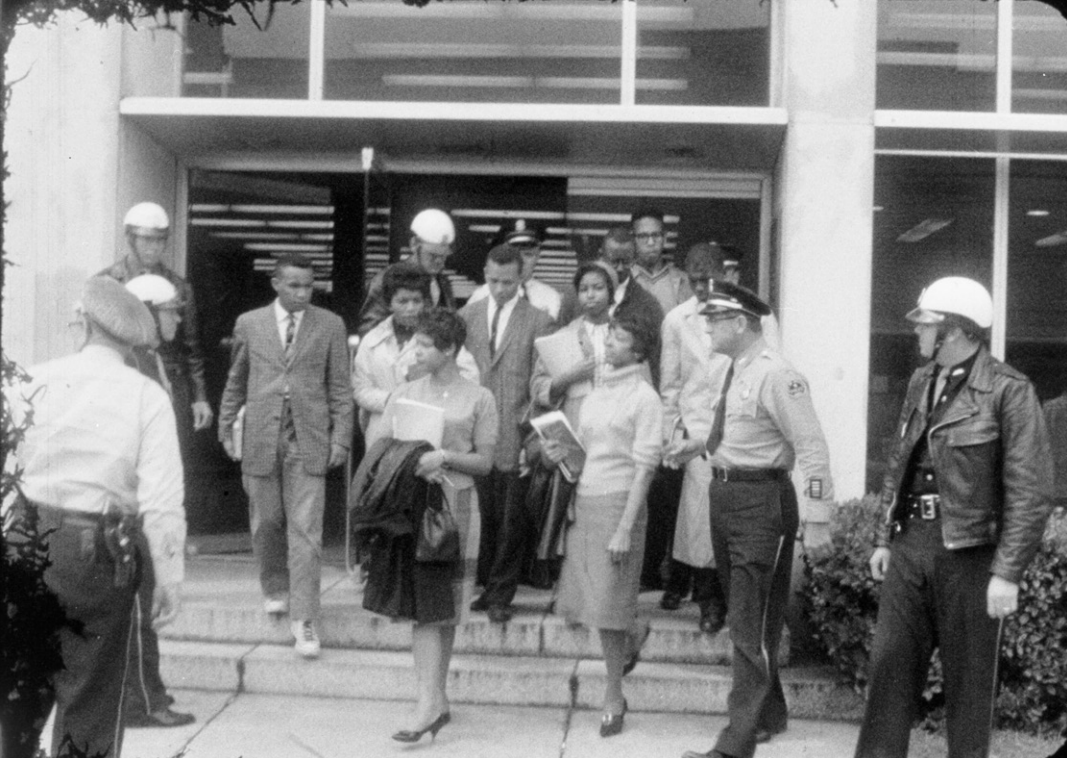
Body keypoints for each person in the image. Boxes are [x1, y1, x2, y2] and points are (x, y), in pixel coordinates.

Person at [853, 277, 1054, 758]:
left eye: (927, 324)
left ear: (957, 330)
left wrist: (1007, 573)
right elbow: (900, 460)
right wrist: (885, 536)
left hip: (969, 553)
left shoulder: (1008, 390)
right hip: (911, 545)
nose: (917, 333)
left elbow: (1031, 492)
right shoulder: (922, 380)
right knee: (889, 670)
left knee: (968, 685)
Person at [5, 276, 186, 758]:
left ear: (84, 322)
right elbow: (162, 502)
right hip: (98, 555)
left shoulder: (32, 381)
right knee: (91, 702)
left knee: (19, 701)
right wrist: (169, 577)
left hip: (24, 544)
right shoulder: (147, 397)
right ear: (131, 341)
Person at [677, 280, 833, 758]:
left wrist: (819, 517)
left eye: (714, 320)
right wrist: (700, 444)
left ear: (741, 323)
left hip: (761, 504)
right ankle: (769, 713)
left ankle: (735, 743)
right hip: (727, 496)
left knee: (749, 627)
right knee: (751, 620)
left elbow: (812, 447)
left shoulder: (777, 375)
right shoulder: (738, 368)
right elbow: (742, 431)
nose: (706, 328)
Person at [372, 308, 499, 743]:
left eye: (425, 345)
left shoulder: (480, 397)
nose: (416, 351)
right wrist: (410, 461)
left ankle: (435, 699)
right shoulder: (404, 392)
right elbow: (380, 448)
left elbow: (485, 461)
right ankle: (428, 702)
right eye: (416, 343)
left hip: (458, 502)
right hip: (414, 504)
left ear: (448, 350)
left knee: (443, 610)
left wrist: (444, 456)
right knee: (423, 608)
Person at [218, 254, 354, 658]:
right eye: (293, 285)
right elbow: (237, 379)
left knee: (307, 530)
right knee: (267, 521)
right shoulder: (250, 323)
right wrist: (226, 427)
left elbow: (341, 389)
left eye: (308, 286)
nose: (301, 293)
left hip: (309, 437)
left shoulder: (330, 325)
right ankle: (275, 585)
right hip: (261, 434)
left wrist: (341, 440)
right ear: (276, 283)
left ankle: (305, 619)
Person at [543, 316, 664, 739]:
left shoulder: (646, 399)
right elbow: (585, 452)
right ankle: (632, 636)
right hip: (587, 501)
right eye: (609, 336)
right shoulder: (595, 393)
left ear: (639, 351)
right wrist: (559, 451)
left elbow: (646, 467)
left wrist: (626, 528)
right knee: (593, 604)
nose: (609, 344)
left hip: (619, 506)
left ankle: (614, 695)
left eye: (621, 339)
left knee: (610, 609)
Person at [461, 244, 554, 623]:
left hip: (516, 429)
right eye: (494, 281)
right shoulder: (466, 315)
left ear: (522, 279)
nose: (501, 289)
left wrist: (532, 437)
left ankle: (501, 592)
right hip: (475, 431)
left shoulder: (540, 320)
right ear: (485, 273)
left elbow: (541, 384)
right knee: (485, 516)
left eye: (509, 282)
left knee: (513, 517)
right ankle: (485, 586)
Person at [100, 202, 214, 509]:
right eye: (147, 239)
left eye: (160, 240)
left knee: (165, 458)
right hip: (123, 377)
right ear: (130, 239)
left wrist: (199, 396)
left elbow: (191, 344)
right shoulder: (108, 281)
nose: (154, 247)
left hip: (169, 380)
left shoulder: (179, 286)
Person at [120, 274, 197, 728]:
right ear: (146, 312)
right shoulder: (137, 365)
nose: (177, 318)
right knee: (139, 609)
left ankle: (147, 695)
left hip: (149, 500)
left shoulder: (152, 359)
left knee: (141, 608)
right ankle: (144, 701)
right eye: (170, 310)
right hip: (138, 506)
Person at [659, 244, 730, 633]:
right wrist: (672, 432)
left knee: (726, 516)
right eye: (695, 280)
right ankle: (709, 603)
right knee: (699, 521)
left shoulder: (749, 315)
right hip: (694, 428)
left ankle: (728, 596)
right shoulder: (676, 320)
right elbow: (669, 383)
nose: (702, 287)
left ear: (725, 273)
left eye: (709, 279)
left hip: (736, 428)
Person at [352, 262, 478, 449]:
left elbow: (471, 379)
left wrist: (432, 396)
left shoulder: (443, 336)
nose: (410, 308)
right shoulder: (372, 340)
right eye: (403, 301)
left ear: (425, 301)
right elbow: (360, 390)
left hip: (430, 435)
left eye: (416, 301)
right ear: (389, 303)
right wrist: (393, 400)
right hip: (382, 435)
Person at [530, 261, 618, 427]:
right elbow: (538, 388)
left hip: (618, 425)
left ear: (611, 292)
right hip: (578, 424)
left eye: (598, 288)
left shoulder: (627, 335)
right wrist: (569, 377)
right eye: (584, 289)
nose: (590, 295)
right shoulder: (562, 337)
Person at [358, 208, 457, 337]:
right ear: (414, 244)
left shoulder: (443, 283)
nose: (439, 262)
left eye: (443, 256)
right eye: (433, 255)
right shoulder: (386, 279)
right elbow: (370, 330)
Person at [466, 219, 563, 323]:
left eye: (528, 254)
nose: (521, 260)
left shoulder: (550, 297)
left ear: (538, 256)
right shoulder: (482, 295)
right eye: (515, 254)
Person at [630, 205, 692, 316]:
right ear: (633, 239)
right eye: (643, 236)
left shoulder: (683, 281)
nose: (650, 242)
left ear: (665, 237)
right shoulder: (624, 280)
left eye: (656, 235)